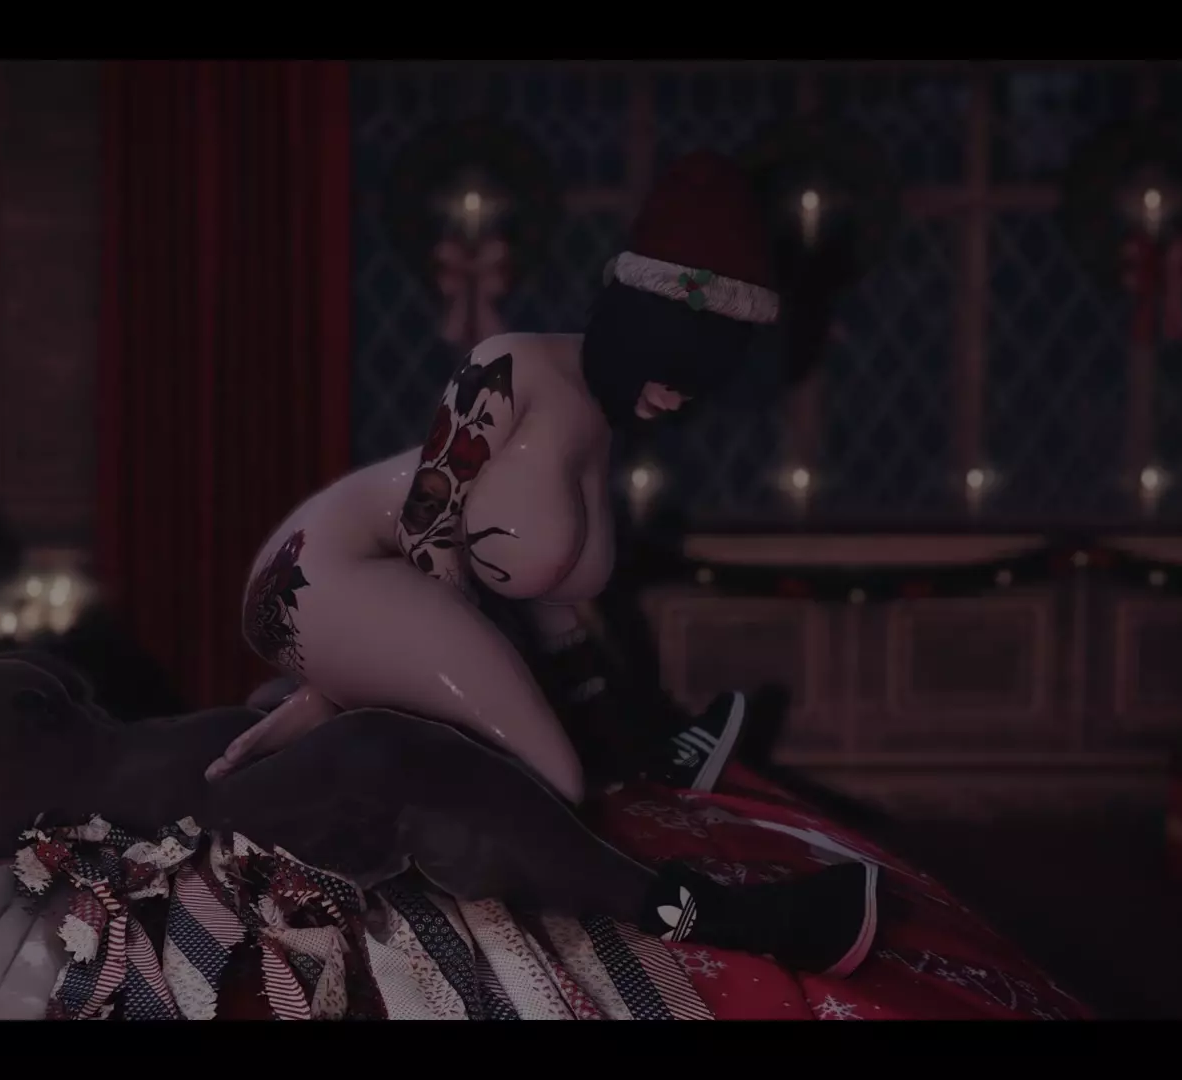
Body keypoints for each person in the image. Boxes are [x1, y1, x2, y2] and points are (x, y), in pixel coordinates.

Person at [215, 151, 878, 974]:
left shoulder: (600, 418)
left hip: (386, 594)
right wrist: (462, 681)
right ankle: (718, 916)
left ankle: (351, 728)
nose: (676, 398)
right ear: (636, 328)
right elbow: (428, 520)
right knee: (550, 778)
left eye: (696, 385)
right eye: (673, 371)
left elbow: (553, 602)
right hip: (325, 571)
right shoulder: (511, 366)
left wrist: (623, 727)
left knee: (557, 755)